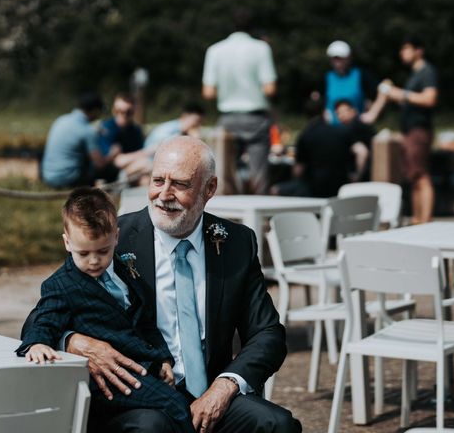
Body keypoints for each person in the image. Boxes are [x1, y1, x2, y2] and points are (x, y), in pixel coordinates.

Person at [55, 137, 301, 433]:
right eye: (158, 180)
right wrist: (72, 340)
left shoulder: (236, 242)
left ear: (209, 189)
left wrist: (225, 385)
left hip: (211, 395)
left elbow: (267, 333)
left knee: (277, 424)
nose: (164, 194)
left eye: (180, 184)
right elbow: (49, 307)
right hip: (141, 398)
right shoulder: (112, 240)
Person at [17, 187, 193, 432]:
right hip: (107, 382)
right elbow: (44, 320)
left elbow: (145, 322)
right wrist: (36, 343)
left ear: (116, 238)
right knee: (175, 405)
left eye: (103, 251)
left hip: (144, 369)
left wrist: (163, 358)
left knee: (174, 405)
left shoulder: (125, 270)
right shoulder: (61, 285)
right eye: (83, 253)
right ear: (67, 242)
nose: (93, 261)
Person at [363, 37, 439, 224]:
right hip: (409, 131)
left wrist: (399, 93)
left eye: (406, 48)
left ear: (418, 51)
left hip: (418, 130)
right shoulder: (415, 75)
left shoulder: (427, 72)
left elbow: (430, 99)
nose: (402, 53)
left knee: (421, 175)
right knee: (413, 176)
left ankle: (425, 220)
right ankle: (417, 219)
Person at [202, 8, 278, 194]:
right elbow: (270, 88)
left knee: (225, 174)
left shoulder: (215, 50)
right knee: (259, 175)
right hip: (255, 118)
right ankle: (259, 215)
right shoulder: (261, 48)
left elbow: (208, 92)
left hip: (227, 118)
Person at [112, 102, 205, 183]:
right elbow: (154, 151)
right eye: (196, 121)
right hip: (148, 163)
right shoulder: (171, 130)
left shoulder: (182, 132)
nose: (198, 125)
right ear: (185, 116)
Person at [271, 110, 354, 198]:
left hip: (313, 189)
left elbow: (298, 171)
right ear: (325, 114)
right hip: (340, 187)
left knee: (275, 190)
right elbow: (359, 152)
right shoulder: (342, 133)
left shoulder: (306, 135)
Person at [41, 93, 116, 188]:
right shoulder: (88, 131)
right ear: (94, 111)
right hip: (68, 179)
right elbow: (99, 164)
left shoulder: (60, 120)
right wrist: (112, 154)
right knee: (109, 171)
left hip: (48, 177)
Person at [321, 40, 378, 125]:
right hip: (331, 130)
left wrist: (371, 113)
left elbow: (376, 95)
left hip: (355, 128)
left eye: (340, 57)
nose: (337, 61)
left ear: (348, 57)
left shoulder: (361, 75)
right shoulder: (326, 78)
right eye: (334, 58)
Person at [98, 93, 145, 181]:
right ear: (113, 110)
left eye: (128, 112)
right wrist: (147, 151)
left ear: (134, 112)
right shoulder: (106, 128)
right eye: (118, 111)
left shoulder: (136, 130)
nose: (122, 115)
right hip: (108, 175)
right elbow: (116, 161)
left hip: (130, 170)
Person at [335, 98, 377, 182]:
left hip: (365, 176)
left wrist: (357, 176)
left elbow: (361, 151)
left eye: (343, 112)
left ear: (353, 111)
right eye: (338, 113)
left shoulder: (351, 128)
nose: (341, 115)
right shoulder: (361, 125)